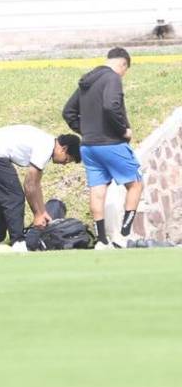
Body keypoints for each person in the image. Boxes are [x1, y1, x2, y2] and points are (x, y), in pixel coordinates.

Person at [62, 47, 144, 248]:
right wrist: (123, 130)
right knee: (135, 184)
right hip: (111, 143)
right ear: (122, 64)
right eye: (125, 70)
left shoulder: (86, 81)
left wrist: (86, 131)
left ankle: (101, 240)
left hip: (89, 147)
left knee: (98, 191)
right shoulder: (113, 78)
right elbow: (110, 106)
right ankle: (124, 234)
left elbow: (68, 112)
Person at [0, 125, 82, 252]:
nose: (64, 163)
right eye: (67, 160)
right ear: (63, 149)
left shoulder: (47, 144)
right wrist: (37, 215)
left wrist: (43, 212)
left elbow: (36, 184)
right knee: (15, 198)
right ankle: (18, 242)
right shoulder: (46, 147)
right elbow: (29, 184)